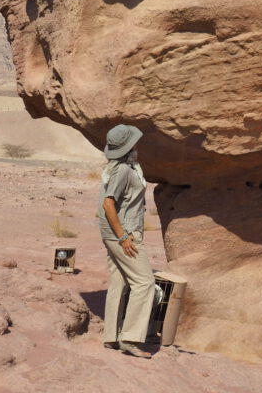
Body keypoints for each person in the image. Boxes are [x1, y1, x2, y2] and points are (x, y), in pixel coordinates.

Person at [97, 124, 155, 358]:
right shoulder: (122, 171)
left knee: (119, 282)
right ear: (128, 148)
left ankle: (111, 336)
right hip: (123, 235)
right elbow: (108, 203)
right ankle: (130, 338)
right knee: (144, 282)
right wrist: (123, 237)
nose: (137, 147)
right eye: (134, 144)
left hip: (115, 233)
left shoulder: (121, 168)